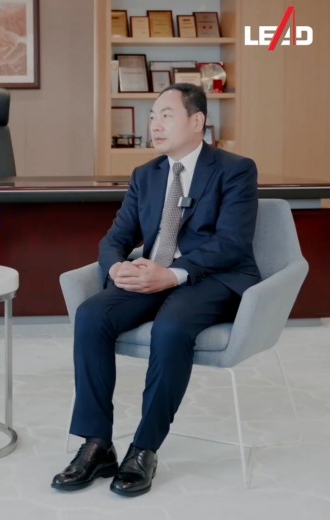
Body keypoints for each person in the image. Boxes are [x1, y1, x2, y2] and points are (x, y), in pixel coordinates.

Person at [51, 83, 261, 497]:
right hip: (151, 275)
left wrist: (173, 274)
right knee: (92, 315)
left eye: (166, 115)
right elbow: (115, 238)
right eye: (152, 117)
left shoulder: (235, 169)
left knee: (171, 328)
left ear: (197, 121)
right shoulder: (146, 175)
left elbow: (232, 244)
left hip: (211, 278)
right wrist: (118, 268)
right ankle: (97, 444)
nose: (155, 125)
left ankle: (144, 449)